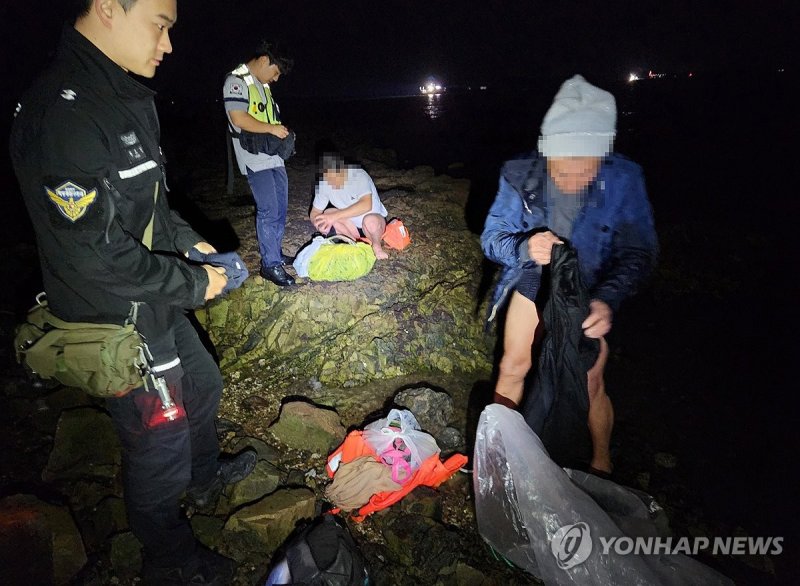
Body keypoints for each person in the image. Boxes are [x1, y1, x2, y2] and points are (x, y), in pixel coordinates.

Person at [10, 1, 256, 583]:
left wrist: (193, 245)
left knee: (203, 381)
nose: (168, 45)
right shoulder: (64, 114)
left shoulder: (119, 96)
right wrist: (194, 282)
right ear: (106, 9)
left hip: (151, 300)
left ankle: (204, 477)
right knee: (157, 450)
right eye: (161, 25)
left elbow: (150, 207)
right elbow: (92, 255)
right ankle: (170, 561)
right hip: (116, 320)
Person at [481, 75, 658, 476]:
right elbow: (492, 238)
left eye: (586, 166)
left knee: (592, 378)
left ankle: (602, 465)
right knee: (512, 365)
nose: (573, 177)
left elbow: (639, 251)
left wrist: (608, 299)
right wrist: (524, 247)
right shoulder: (519, 174)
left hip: (591, 286)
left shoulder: (625, 179)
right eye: (563, 165)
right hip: (533, 278)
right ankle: (495, 458)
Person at [224, 41, 296, 286]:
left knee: (281, 208)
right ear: (264, 60)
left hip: (273, 155)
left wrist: (279, 133)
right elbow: (238, 117)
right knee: (268, 210)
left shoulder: (262, 85)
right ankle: (270, 265)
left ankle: (274, 253)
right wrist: (272, 129)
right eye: (276, 72)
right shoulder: (236, 81)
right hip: (255, 157)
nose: (275, 79)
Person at [310, 154, 390, 259]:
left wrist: (334, 217)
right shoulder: (324, 184)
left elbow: (366, 205)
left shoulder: (359, 175)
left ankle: (377, 246)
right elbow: (315, 212)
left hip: (374, 222)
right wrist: (319, 224)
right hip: (351, 227)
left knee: (370, 220)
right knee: (328, 213)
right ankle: (354, 245)